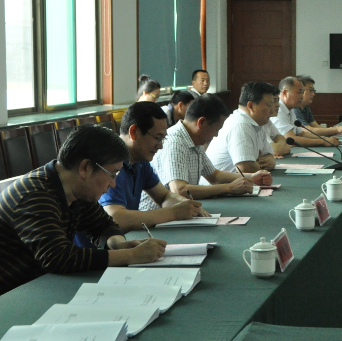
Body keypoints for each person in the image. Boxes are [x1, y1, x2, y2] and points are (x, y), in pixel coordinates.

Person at [0, 126, 166, 295]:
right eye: (112, 174)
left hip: (40, 286)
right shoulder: (35, 195)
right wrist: (131, 255)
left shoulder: (75, 188)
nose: (113, 184)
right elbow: (58, 257)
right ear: (85, 167)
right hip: (11, 296)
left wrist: (119, 245)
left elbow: (103, 225)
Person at [144, 94, 273, 206]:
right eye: (216, 129)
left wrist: (251, 177)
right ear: (201, 123)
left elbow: (214, 176)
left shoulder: (195, 140)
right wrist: (228, 188)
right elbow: (179, 190)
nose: (216, 135)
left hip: (180, 212)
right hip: (157, 219)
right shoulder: (174, 142)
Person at [98, 102, 207, 232]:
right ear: (134, 132)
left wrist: (185, 205)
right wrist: (173, 213)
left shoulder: (140, 161)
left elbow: (164, 196)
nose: (160, 146)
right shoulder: (111, 162)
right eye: (157, 138)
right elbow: (115, 217)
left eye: (162, 139)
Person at [207, 82, 288, 173]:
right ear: (251, 106)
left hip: (241, 180)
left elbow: (269, 155)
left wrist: (270, 161)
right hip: (223, 182)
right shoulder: (240, 125)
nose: (272, 110)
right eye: (269, 105)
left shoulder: (257, 123)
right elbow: (245, 168)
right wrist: (261, 164)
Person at [271, 77, 339, 147]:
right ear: (285, 93)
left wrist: (325, 139)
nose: (302, 96)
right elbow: (291, 139)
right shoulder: (278, 111)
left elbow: (302, 134)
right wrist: (323, 141)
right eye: (299, 92)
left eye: (303, 93)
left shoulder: (290, 109)